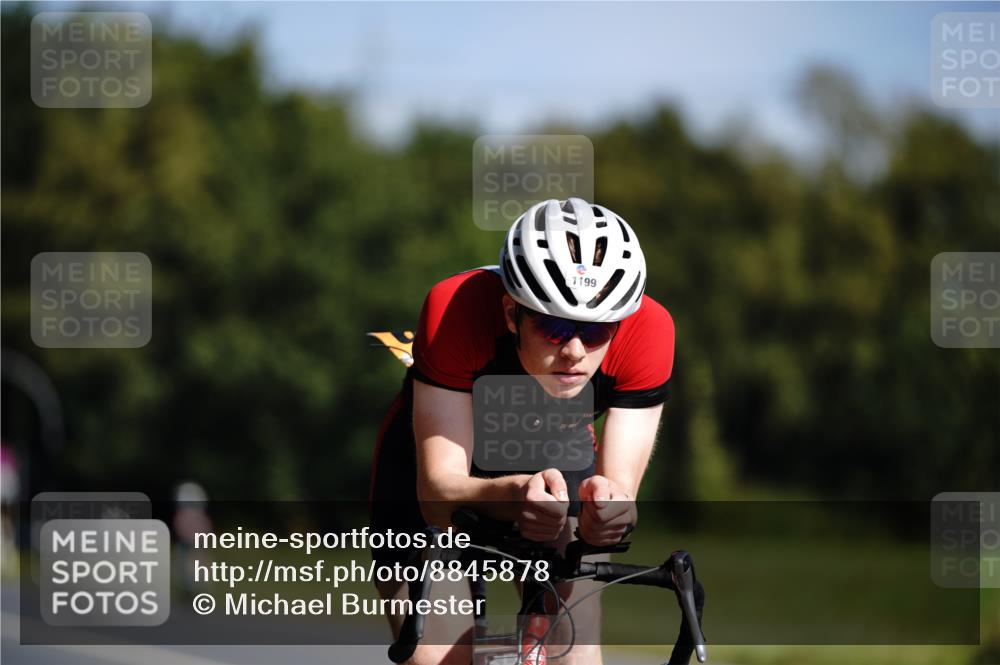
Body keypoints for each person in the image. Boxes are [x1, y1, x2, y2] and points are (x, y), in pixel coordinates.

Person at [369, 198, 675, 665]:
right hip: (437, 468)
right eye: (554, 328)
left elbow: (619, 494)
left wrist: (608, 514)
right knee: (439, 655)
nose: (575, 351)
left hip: (556, 455)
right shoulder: (456, 309)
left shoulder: (648, 331)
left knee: (574, 645)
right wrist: (515, 495)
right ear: (512, 314)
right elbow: (437, 493)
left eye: (596, 332)